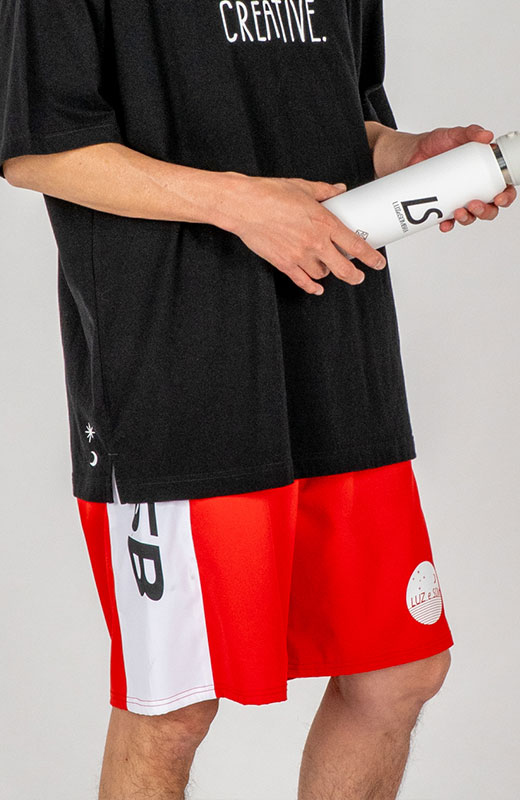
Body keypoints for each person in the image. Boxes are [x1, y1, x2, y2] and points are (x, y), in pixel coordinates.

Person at [1, 1, 516, 798]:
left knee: (398, 671)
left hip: (337, 344)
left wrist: (407, 154)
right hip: (180, 359)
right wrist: (242, 205)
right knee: (174, 707)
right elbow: (39, 147)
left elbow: (346, 116)